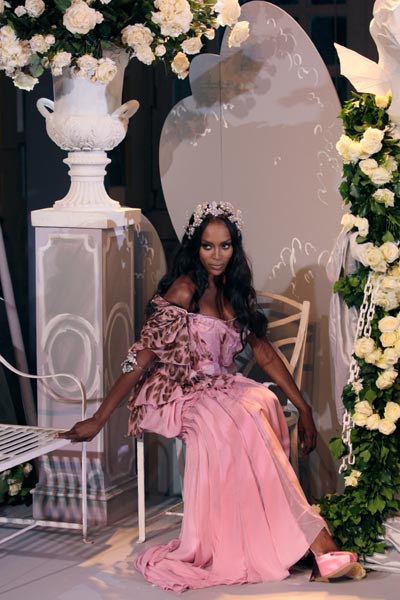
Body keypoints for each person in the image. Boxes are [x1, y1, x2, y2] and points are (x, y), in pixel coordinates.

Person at [59, 202, 366, 591]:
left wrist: (303, 407)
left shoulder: (234, 290)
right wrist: (99, 418)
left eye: (225, 246)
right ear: (195, 247)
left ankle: (287, 538)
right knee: (238, 417)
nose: (217, 256)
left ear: (235, 247)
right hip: (177, 388)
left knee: (263, 403)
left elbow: (264, 353)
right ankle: (319, 544)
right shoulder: (184, 290)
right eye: (208, 246)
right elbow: (142, 359)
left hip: (218, 384)